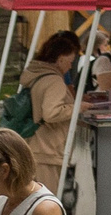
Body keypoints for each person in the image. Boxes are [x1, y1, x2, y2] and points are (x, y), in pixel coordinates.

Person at [16, 30, 80, 198]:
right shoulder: (54, 81)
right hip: (48, 150)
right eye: (70, 61)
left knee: (32, 201)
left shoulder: (37, 75)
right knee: (47, 203)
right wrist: (77, 107)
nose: (70, 66)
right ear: (61, 59)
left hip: (34, 146)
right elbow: (51, 113)